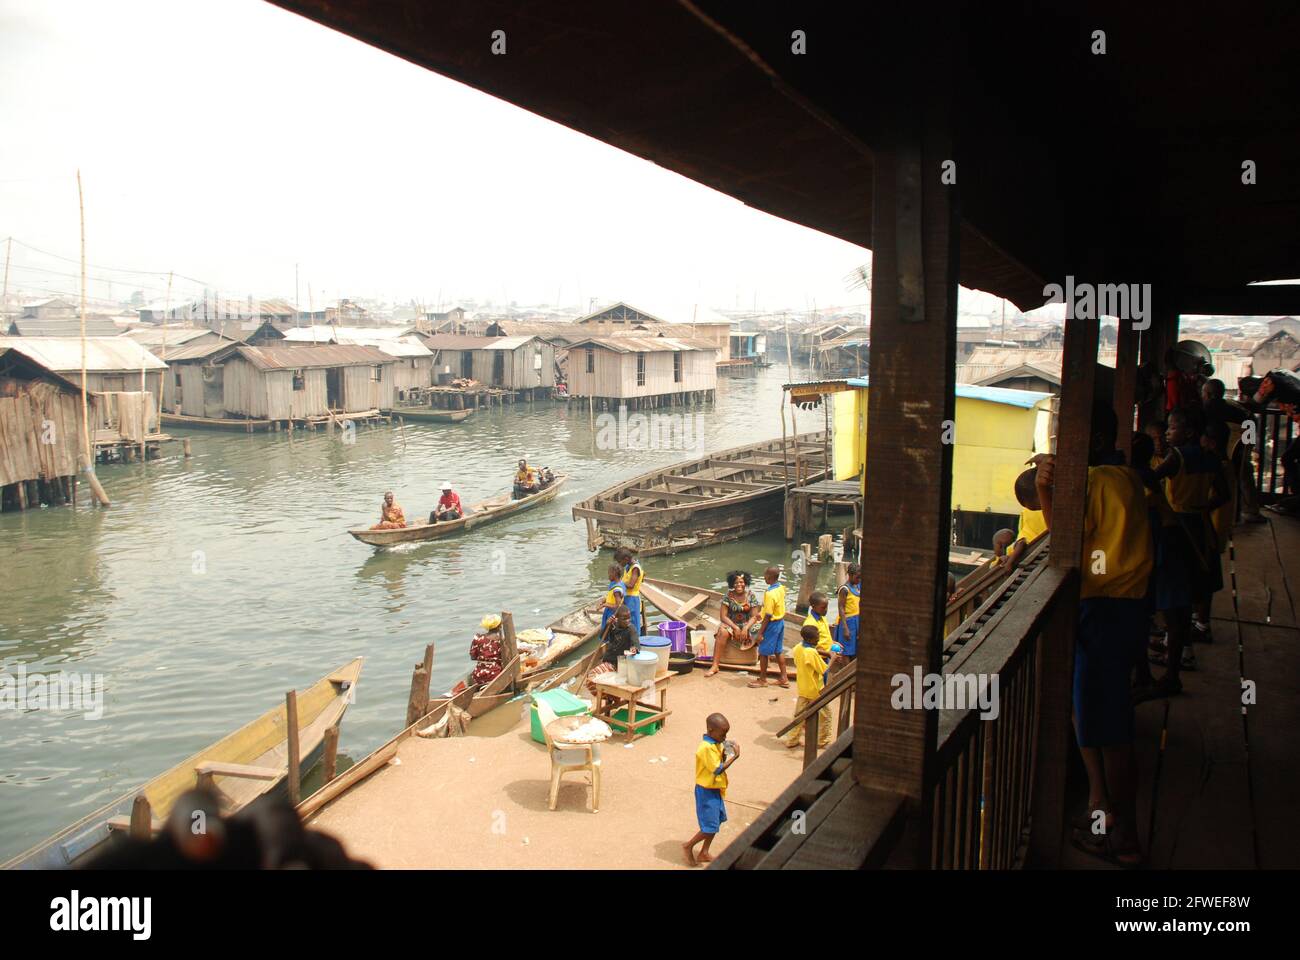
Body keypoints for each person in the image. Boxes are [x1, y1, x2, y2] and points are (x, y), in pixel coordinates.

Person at [1035, 401, 1151, 868]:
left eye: (1069, 438)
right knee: (1096, 718)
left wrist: (1047, 491)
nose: (1062, 447)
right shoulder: (1128, 479)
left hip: (1101, 609)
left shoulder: (1096, 481)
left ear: (1095, 442)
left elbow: (1065, 538)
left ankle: (1124, 838)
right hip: (1128, 607)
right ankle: (1101, 809)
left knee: (1110, 729)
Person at [1151, 409, 1228, 647]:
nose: (1167, 433)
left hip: (1176, 525)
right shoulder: (1211, 458)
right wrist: (1204, 506)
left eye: (1172, 428)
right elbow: (1224, 494)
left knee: (1175, 584)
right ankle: (1199, 626)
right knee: (1202, 577)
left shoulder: (1177, 456)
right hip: (1201, 524)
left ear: (1189, 432)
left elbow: (1150, 478)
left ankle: (1173, 640)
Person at [1131, 428, 1193, 700]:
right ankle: (1162, 674)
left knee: (1156, 616)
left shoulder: (1135, 480)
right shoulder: (1147, 476)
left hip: (1161, 551)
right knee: (1171, 616)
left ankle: (1161, 676)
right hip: (1171, 546)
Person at [683, 713, 738, 867]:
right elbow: (717, 769)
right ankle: (688, 846)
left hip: (715, 789)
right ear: (711, 730)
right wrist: (736, 756)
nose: (724, 737)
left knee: (716, 821)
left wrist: (727, 751)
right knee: (709, 826)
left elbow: (721, 759)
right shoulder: (705, 748)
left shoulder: (716, 742)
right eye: (723, 734)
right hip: (706, 791)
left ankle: (704, 852)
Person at [786, 625, 832, 751]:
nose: (818, 640)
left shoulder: (798, 648)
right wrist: (832, 658)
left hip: (803, 688)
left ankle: (792, 740)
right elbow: (824, 669)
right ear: (811, 639)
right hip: (815, 690)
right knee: (826, 716)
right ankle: (823, 741)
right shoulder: (811, 653)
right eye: (817, 638)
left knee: (799, 716)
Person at [708, 571, 758, 680]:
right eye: (736, 582)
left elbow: (754, 617)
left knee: (761, 631)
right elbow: (723, 616)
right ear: (732, 584)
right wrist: (735, 627)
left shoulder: (751, 596)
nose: (739, 585)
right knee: (722, 631)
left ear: (745, 583)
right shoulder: (728, 595)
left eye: (741, 582)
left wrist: (745, 628)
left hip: (747, 624)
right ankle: (715, 665)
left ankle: (764, 660)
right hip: (731, 623)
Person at [745, 566, 789, 688]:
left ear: (769, 577)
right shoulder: (780, 588)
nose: (764, 577)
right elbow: (774, 607)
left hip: (771, 624)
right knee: (778, 650)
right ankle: (784, 678)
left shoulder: (769, 593)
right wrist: (761, 613)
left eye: (765, 575)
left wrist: (760, 633)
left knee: (763, 652)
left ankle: (763, 679)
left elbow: (769, 615)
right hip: (780, 622)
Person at [587, 605, 637, 693]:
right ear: (617, 618)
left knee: (594, 677)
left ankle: (610, 695)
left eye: (629, 618)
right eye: (624, 619)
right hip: (609, 660)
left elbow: (635, 642)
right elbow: (603, 637)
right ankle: (608, 696)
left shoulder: (630, 629)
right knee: (591, 678)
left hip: (620, 664)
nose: (627, 621)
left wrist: (634, 648)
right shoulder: (613, 626)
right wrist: (607, 625)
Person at [833, 563, 861, 661]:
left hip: (857, 621)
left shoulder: (858, 587)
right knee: (846, 650)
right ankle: (845, 673)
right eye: (857, 578)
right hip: (848, 622)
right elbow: (841, 608)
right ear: (850, 575)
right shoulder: (844, 589)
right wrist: (845, 628)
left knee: (855, 650)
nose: (859, 580)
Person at [616, 547, 645, 637]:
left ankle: (636, 646)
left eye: (620, 561)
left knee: (633, 623)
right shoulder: (628, 566)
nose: (620, 564)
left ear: (626, 559)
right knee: (627, 623)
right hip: (627, 599)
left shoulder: (635, 568)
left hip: (632, 599)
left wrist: (618, 583)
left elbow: (631, 585)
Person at [469, 614, 505, 686]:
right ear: (499, 626)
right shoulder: (500, 641)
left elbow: (473, 657)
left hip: (478, 675)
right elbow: (506, 658)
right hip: (494, 675)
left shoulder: (478, 638)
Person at [599, 563, 627, 631]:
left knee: (609, 632)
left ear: (614, 573)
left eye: (609, 573)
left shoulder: (617, 590)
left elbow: (618, 607)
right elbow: (611, 597)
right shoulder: (619, 583)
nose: (608, 575)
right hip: (609, 612)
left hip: (612, 615)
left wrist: (605, 605)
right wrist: (604, 600)